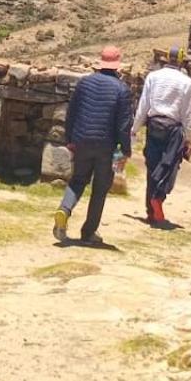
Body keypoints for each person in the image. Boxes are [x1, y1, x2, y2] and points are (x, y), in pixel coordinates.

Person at [53, 46, 134, 246]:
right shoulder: (122, 90)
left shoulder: (84, 83)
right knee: (100, 188)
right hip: (106, 146)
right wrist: (125, 149)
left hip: (81, 140)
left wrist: (69, 139)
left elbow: (71, 113)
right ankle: (88, 232)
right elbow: (124, 125)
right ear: (117, 65)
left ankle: (64, 209)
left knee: (78, 180)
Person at [132, 46, 191, 225]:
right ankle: (158, 197)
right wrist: (188, 138)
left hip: (154, 126)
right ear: (182, 60)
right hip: (173, 129)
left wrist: (135, 128)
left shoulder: (153, 77)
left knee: (152, 166)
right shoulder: (187, 82)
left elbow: (143, 105)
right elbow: (187, 113)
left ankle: (150, 212)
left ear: (167, 58)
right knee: (169, 165)